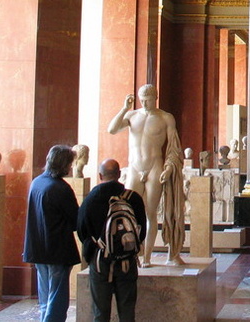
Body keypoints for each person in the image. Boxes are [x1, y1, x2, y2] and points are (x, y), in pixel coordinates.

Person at [108, 84, 184, 266]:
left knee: (150, 213)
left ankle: (147, 256)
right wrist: (124, 108)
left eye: (148, 99)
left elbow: (174, 146)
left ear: (155, 97)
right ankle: (133, 253)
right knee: (129, 212)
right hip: (134, 167)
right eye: (142, 99)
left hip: (154, 167)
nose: (144, 103)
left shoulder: (165, 117)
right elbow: (112, 129)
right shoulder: (131, 115)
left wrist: (169, 167)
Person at [77, 159, 147, 322]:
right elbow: (141, 230)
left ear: (100, 175)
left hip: (101, 260)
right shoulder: (133, 198)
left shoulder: (91, 198)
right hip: (126, 262)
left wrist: (93, 250)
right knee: (127, 311)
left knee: (100, 312)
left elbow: (81, 229)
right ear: (119, 175)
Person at [23, 145, 80, 322]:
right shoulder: (60, 188)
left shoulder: (37, 182)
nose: (70, 167)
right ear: (63, 164)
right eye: (69, 163)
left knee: (45, 297)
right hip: (58, 249)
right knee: (57, 299)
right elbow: (75, 219)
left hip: (39, 249)